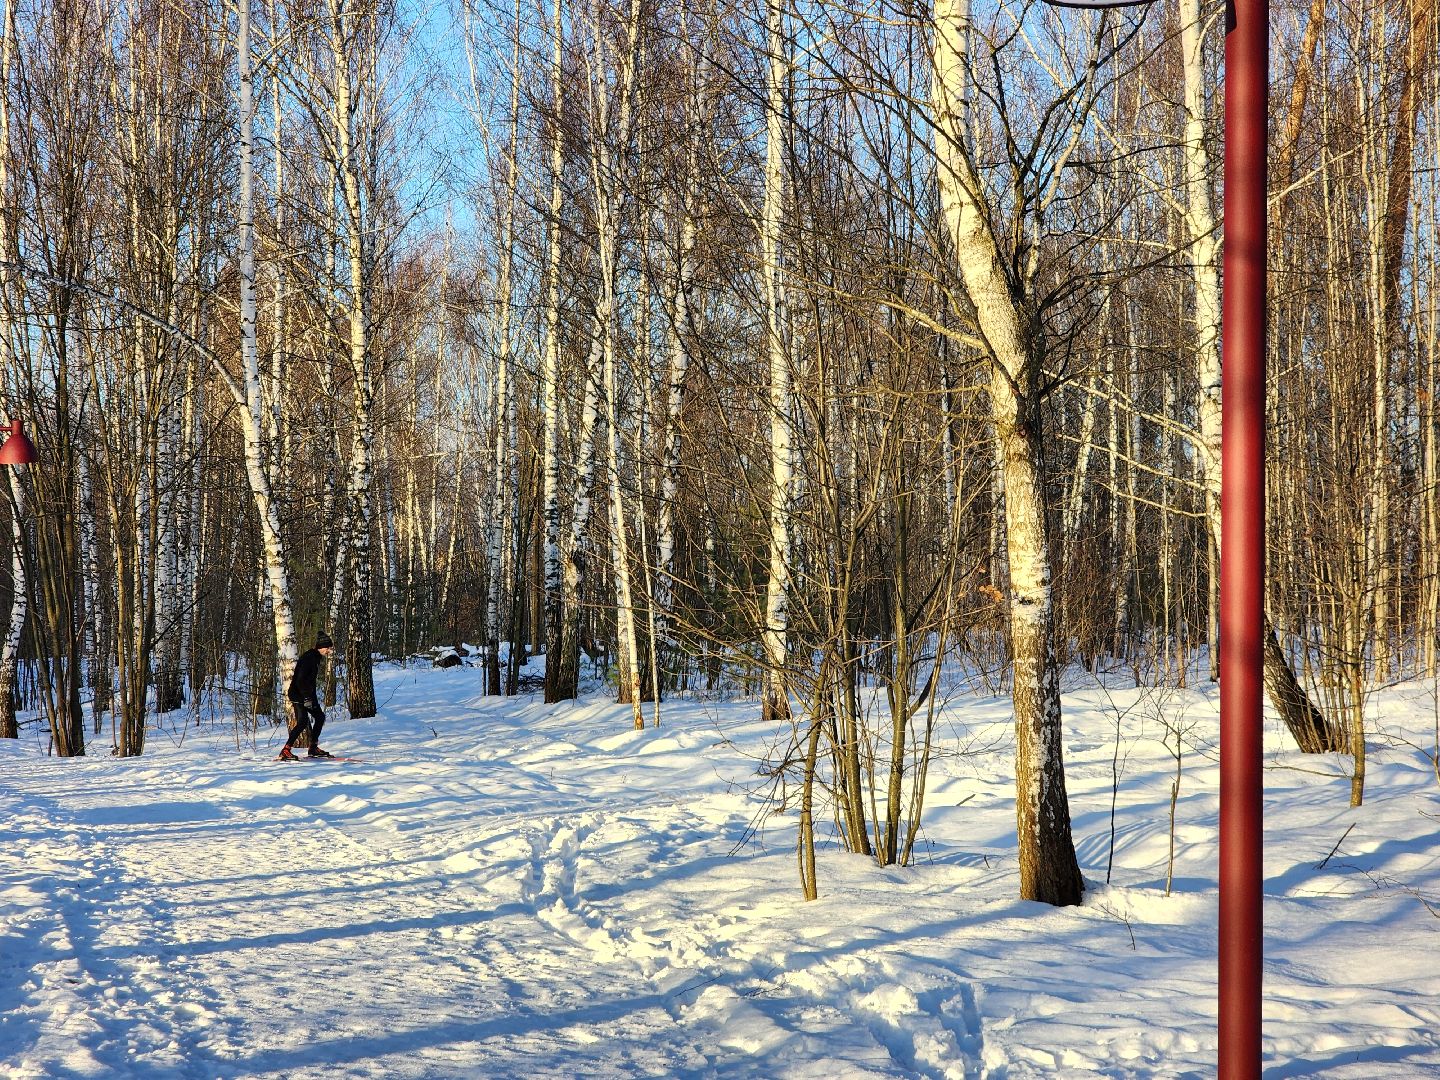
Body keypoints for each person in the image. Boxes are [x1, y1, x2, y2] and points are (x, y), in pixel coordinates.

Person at [278, 632, 336, 761]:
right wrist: (306, 698)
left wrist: (310, 696)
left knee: (320, 717)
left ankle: (313, 748)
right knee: (302, 722)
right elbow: (300, 680)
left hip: (307, 694)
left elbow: (309, 681)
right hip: (298, 694)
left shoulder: (316, 657)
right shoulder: (309, 658)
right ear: (321, 646)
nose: (329, 651)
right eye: (328, 648)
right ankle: (285, 750)